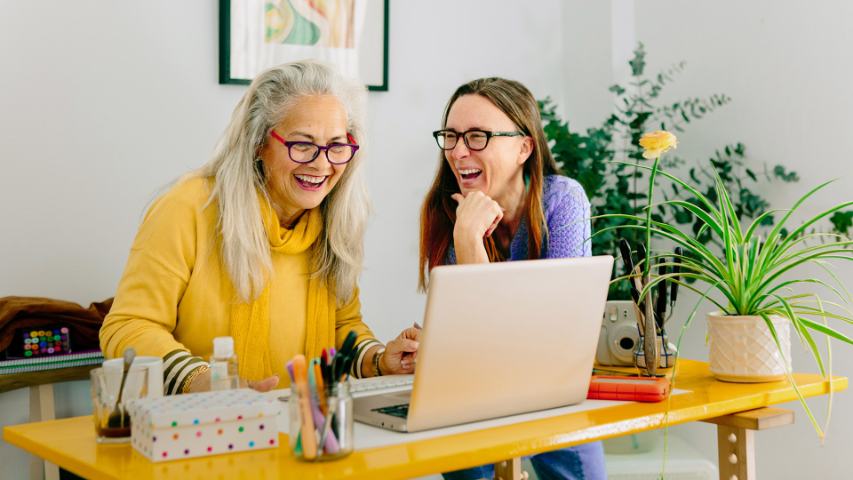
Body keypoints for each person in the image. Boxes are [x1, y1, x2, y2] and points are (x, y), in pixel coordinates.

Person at [100, 61, 418, 395]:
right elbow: (128, 326)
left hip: (307, 428)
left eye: (337, 145)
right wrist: (201, 380)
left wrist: (381, 360)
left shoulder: (335, 220)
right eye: (302, 144)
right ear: (258, 143)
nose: (322, 163)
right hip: (203, 425)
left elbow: (343, 327)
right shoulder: (188, 207)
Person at [419, 77, 604, 480]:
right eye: (450, 136)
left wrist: (469, 244)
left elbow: (559, 333)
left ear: (524, 147)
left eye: (477, 136)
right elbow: (472, 343)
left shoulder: (562, 200)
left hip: (552, 389)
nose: (458, 151)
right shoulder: (448, 211)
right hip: (474, 393)